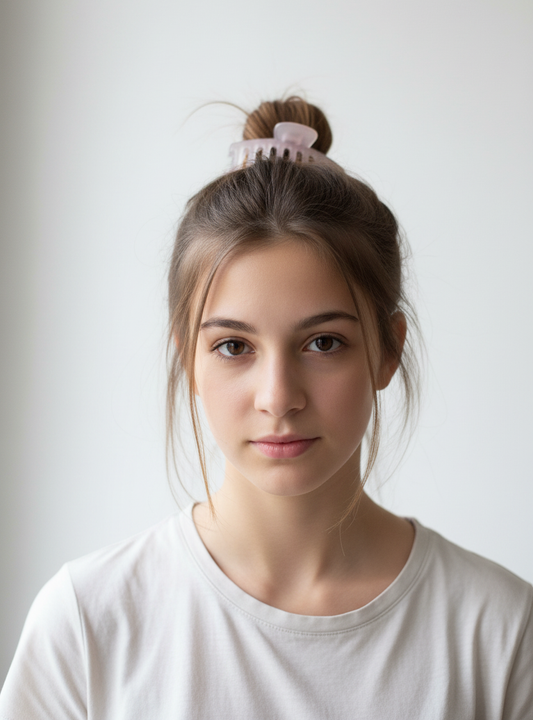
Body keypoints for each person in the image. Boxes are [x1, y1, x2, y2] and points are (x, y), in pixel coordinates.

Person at [1, 96, 531, 719]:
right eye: (233, 346)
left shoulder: (498, 634)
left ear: (388, 350)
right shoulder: (88, 625)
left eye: (323, 342)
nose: (278, 397)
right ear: (188, 358)